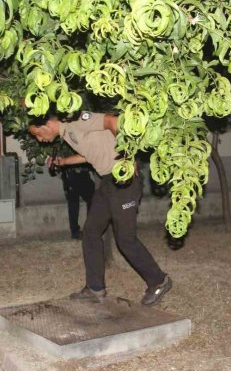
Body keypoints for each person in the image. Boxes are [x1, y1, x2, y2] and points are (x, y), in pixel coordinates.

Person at [29, 111, 173, 306]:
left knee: (125, 239)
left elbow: (112, 120)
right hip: (107, 183)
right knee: (91, 231)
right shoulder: (67, 133)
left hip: (124, 182)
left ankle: (159, 280)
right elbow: (89, 155)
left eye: (37, 133)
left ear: (46, 124)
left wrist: (127, 159)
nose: (39, 139)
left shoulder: (76, 120)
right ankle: (95, 288)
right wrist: (63, 162)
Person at [57, 163, 94, 240]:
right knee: (74, 203)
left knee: (92, 199)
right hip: (70, 172)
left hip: (80, 170)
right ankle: (77, 231)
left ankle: (89, 229)